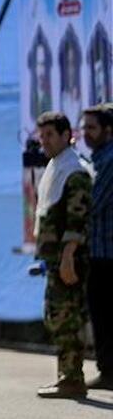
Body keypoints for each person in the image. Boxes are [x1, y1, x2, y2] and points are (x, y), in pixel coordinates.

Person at [33, 111, 93, 399]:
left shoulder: (75, 170)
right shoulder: (57, 166)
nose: (44, 141)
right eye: (41, 136)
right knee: (56, 316)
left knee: (67, 316)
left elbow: (77, 219)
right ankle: (66, 374)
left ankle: (72, 377)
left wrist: (68, 255)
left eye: (49, 135)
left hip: (69, 258)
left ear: (66, 135)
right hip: (56, 258)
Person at [81, 105, 113, 390]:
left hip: (107, 254)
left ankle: (108, 371)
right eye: (84, 128)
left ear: (108, 130)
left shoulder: (110, 160)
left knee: (104, 315)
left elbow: (92, 204)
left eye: (91, 128)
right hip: (99, 251)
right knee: (101, 315)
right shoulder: (98, 159)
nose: (85, 133)